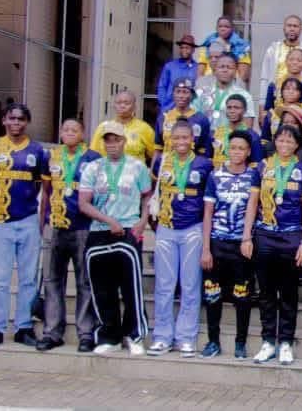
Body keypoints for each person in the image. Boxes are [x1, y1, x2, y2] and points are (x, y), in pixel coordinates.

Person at [77, 121, 153, 356]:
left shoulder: (137, 167)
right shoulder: (93, 168)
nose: (112, 144)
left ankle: (134, 335)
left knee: (131, 287)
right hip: (99, 231)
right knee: (102, 287)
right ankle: (109, 335)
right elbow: (83, 203)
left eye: (116, 140)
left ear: (124, 141)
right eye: (108, 140)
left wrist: (142, 221)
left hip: (129, 229)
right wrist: (109, 221)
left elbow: (147, 197)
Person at [0, 103, 47, 350]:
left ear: (26, 122)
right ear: (4, 121)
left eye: (21, 119)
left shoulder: (37, 151)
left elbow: (41, 187)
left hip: (27, 220)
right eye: (12, 118)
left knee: (28, 278)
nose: (16, 122)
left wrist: (35, 216)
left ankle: (23, 327)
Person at [147, 120, 213, 357]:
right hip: (166, 227)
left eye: (185, 137)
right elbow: (153, 191)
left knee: (190, 284)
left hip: (193, 228)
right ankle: (162, 336)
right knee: (164, 285)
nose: (181, 142)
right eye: (176, 138)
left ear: (192, 140)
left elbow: (209, 201)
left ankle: (186, 337)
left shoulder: (204, 164)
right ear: (170, 140)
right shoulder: (162, 161)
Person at [250, 124, 302, 365]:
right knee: (266, 292)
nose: (285, 144)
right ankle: (268, 341)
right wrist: (246, 237)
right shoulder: (262, 167)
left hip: (291, 237)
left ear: (297, 145)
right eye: (281, 140)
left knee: (288, 292)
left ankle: (286, 342)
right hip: (264, 235)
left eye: (290, 141)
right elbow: (252, 204)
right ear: (274, 141)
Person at [37, 118, 102, 352]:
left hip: (83, 226)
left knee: (85, 281)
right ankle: (52, 332)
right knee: (53, 280)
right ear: (61, 133)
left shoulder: (93, 158)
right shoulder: (52, 156)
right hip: (55, 225)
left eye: (75, 129)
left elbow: (100, 194)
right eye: (66, 129)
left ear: (83, 133)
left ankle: (85, 333)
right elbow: (46, 192)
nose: (70, 133)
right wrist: (42, 222)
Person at [200, 130, 261, 359]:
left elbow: (253, 208)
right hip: (217, 242)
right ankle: (213, 341)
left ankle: (240, 343)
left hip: (241, 244)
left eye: (241, 148)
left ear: (248, 152)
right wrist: (206, 248)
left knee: (242, 295)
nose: (236, 152)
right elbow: (208, 213)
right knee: (212, 294)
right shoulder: (215, 175)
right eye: (233, 147)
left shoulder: (253, 176)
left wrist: (246, 238)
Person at [259, 15, 302, 107]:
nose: (292, 29)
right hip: (277, 100)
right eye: (289, 26)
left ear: (301, 29)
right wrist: (262, 104)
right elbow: (265, 78)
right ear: (284, 28)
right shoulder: (273, 50)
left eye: (295, 26)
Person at [193, 51, 257, 129]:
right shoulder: (201, 93)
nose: (225, 70)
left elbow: (247, 126)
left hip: (231, 136)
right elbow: (192, 119)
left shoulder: (244, 96)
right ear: (215, 69)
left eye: (229, 67)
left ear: (235, 71)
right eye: (221, 67)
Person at [91, 90, 156, 164]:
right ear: (114, 106)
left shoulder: (144, 128)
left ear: (134, 107)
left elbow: (155, 155)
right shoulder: (103, 127)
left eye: (127, 103)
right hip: (107, 169)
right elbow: (93, 155)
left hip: (134, 170)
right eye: (118, 103)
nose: (122, 106)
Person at [153, 78, 212, 160]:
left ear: (192, 95)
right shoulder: (163, 117)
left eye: (185, 92)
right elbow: (158, 149)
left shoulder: (201, 119)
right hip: (167, 165)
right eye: (178, 91)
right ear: (173, 94)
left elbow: (204, 151)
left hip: (191, 165)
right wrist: (153, 167)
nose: (181, 96)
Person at [263, 47, 302, 115]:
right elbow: (268, 110)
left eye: (299, 60)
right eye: (291, 59)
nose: (295, 62)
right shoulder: (274, 85)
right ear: (286, 61)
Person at [196, 15, 252, 83]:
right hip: (208, 82)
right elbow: (200, 71)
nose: (223, 29)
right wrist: (201, 84)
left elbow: (243, 74)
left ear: (232, 28)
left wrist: (235, 86)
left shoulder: (241, 46)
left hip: (231, 82)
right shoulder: (207, 43)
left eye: (226, 27)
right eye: (220, 26)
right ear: (216, 28)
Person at [213, 94, 264, 167]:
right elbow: (208, 157)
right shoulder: (216, 133)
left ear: (245, 110)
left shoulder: (252, 136)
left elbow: (257, 164)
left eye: (236, 108)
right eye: (229, 108)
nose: (232, 111)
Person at [157, 34, 199, 111]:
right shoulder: (169, 66)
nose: (184, 50)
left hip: (190, 110)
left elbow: (199, 90)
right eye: (182, 47)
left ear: (193, 50)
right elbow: (162, 87)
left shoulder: (197, 68)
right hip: (169, 109)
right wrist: (164, 105)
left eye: (187, 48)